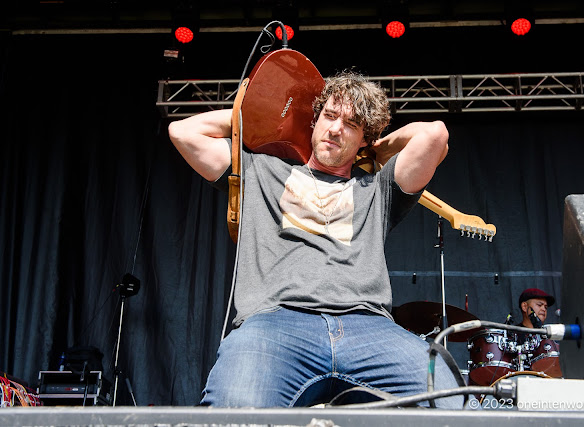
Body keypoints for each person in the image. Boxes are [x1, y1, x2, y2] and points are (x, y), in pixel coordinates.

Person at [169, 71, 462, 408]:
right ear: (315, 119)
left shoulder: (376, 190)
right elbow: (183, 131)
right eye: (329, 115)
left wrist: (381, 146)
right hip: (275, 324)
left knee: (453, 399)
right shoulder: (260, 171)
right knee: (235, 406)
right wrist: (274, 119)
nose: (335, 128)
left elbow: (435, 134)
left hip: (369, 329)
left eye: (351, 124)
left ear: (363, 139)